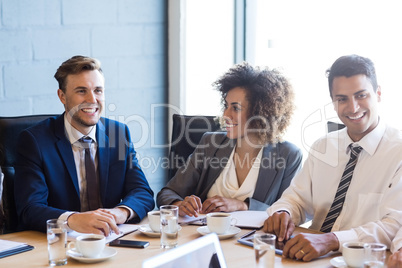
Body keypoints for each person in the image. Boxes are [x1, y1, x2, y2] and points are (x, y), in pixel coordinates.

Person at [263, 54, 402, 261]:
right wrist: (285, 212)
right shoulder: (323, 146)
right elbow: (297, 198)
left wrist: (332, 240)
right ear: (333, 102)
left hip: (361, 260)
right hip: (310, 256)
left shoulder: (398, 151)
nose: (353, 108)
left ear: (378, 93)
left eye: (361, 95)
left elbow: (394, 225)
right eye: (342, 99)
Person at [14, 55, 154, 235]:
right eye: (81, 91)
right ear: (62, 96)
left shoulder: (118, 134)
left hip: (110, 239)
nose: (92, 99)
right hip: (60, 244)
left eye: (98, 90)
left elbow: (142, 191)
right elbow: (30, 208)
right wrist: (73, 219)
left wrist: (119, 213)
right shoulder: (34, 141)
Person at [157, 62, 303, 217]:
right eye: (226, 106)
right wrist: (180, 205)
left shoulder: (289, 155)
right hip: (204, 235)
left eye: (236, 108)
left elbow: (288, 212)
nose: (226, 115)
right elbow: (166, 194)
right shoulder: (210, 144)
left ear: (261, 112)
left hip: (255, 239)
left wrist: (243, 205)